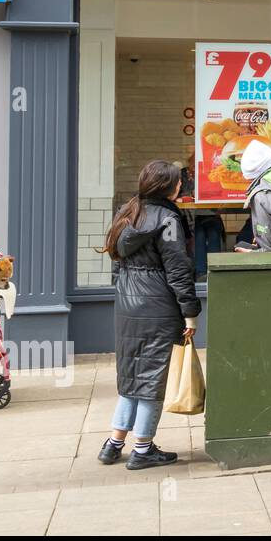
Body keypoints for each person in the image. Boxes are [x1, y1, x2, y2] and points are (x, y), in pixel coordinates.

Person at [96, 160, 200, 470]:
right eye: (178, 182)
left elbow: (117, 258)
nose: (181, 185)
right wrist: (190, 312)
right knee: (153, 378)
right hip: (158, 303)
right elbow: (178, 269)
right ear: (170, 187)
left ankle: (114, 444)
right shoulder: (168, 218)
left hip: (127, 301)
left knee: (132, 376)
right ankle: (142, 449)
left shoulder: (127, 211)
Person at [178, 160, 224, 277]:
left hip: (207, 215)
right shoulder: (186, 174)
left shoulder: (210, 174)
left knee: (207, 239)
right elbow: (182, 195)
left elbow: (219, 196)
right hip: (198, 216)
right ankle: (206, 273)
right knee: (201, 240)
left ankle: (209, 272)